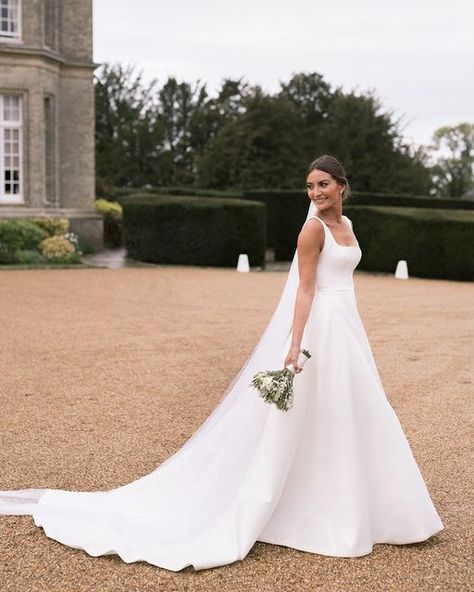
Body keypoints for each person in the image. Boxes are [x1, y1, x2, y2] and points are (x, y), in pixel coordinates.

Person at [0, 155, 444, 572]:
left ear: (342, 186)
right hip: (320, 327)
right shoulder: (311, 231)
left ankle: (366, 506)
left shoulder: (346, 223)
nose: (315, 193)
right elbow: (305, 289)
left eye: (323, 184)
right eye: (309, 186)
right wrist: (295, 343)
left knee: (354, 409)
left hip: (347, 327)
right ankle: (311, 507)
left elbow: (342, 278)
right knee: (309, 414)